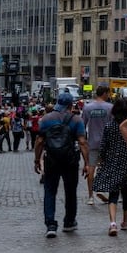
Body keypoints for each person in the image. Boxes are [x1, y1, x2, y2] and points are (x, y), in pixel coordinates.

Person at [33, 93, 90, 238]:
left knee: (50, 191)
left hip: (51, 159)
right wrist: (87, 163)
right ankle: (69, 222)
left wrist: (37, 160)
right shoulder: (76, 120)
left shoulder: (46, 119)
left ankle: (51, 224)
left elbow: (39, 141)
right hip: (70, 160)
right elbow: (82, 142)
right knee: (70, 191)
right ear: (71, 105)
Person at [93, 96, 127, 236]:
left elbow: (103, 146)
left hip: (113, 161)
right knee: (126, 193)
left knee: (113, 193)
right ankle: (125, 221)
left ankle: (112, 223)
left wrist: (102, 159)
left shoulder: (110, 126)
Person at [83, 85, 114, 205]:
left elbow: (83, 125)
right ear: (105, 93)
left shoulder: (87, 107)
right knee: (109, 168)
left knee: (91, 168)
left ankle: (90, 196)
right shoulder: (110, 107)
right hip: (107, 143)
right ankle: (108, 191)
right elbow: (113, 125)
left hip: (92, 142)